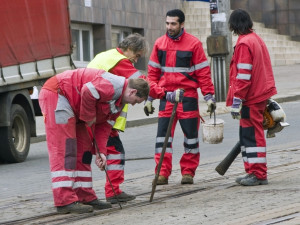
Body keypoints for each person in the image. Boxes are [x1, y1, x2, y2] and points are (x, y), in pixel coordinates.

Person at [38, 68, 149, 213]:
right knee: (66, 149)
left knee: (84, 151)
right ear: (132, 92)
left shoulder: (120, 103)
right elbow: (87, 91)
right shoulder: (113, 85)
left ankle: (85, 195)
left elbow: (104, 127)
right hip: (59, 95)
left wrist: (100, 152)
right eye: (136, 101)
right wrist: (90, 117)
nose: (134, 105)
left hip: (76, 107)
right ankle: (64, 200)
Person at [145, 9, 216, 185]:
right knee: (163, 138)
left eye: (173, 23)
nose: (169, 27)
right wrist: (149, 97)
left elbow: (203, 73)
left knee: (190, 138)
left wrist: (209, 97)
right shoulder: (159, 44)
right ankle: (162, 173)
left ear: (182, 24)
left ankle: (188, 173)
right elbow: (152, 74)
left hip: (187, 97)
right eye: (167, 23)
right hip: (166, 97)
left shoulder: (194, 44)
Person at [87, 33, 149, 204]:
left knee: (98, 152)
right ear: (129, 49)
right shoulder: (120, 61)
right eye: (136, 56)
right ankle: (113, 191)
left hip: (94, 113)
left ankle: (107, 191)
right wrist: (165, 94)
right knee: (115, 152)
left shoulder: (105, 55)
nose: (135, 60)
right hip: (101, 117)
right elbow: (141, 82)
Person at [227, 9, 277, 186]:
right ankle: (252, 171)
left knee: (252, 135)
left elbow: (243, 75)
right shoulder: (255, 39)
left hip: (251, 97)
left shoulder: (244, 44)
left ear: (234, 25)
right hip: (259, 93)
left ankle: (257, 173)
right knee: (249, 134)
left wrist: (237, 99)